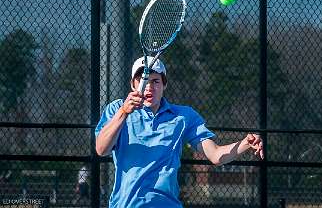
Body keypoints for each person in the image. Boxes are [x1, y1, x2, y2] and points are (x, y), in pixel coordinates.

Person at [95, 56, 264, 208]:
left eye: (155, 81)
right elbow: (101, 149)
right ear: (133, 85)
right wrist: (124, 112)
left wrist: (245, 143)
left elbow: (216, 155)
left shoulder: (184, 116)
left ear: (164, 85)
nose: (149, 87)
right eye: (142, 80)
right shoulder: (116, 109)